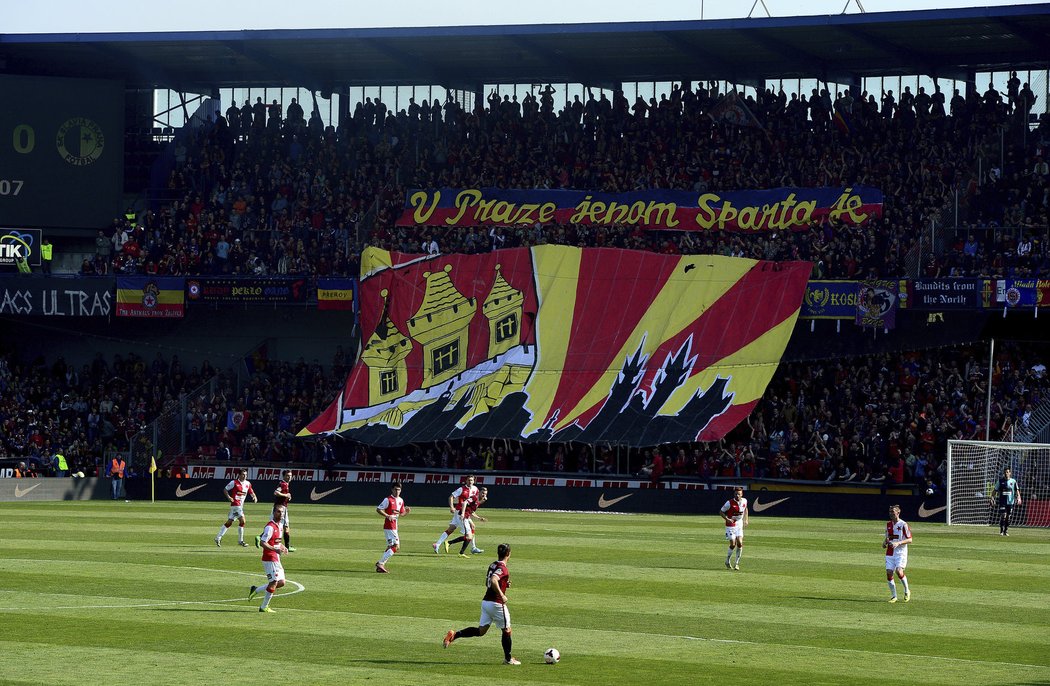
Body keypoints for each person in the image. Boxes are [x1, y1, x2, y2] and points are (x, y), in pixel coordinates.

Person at [442, 542, 520, 665]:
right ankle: (508, 659)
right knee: (507, 630)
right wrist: (502, 594)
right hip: (496, 604)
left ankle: (454, 635)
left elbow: (488, 582)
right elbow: (494, 580)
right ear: (508, 554)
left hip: (486, 603)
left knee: (481, 631)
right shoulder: (503, 568)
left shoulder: (493, 564)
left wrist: (504, 585)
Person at [248, 503, 288, 612]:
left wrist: (282, 547)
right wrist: (275, 550)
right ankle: (263, 607)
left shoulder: (280, 526)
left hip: (276, 558)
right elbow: (262, 542)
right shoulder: (270, 527)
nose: (281, 514)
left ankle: (256, 590)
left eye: (282, 512)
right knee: (274, 582)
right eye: (278, 511)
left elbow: (276, 542)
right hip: (269, 558)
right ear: (273, 513)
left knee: (281, 582)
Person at [434, 475, 479, 553]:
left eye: (471, 480)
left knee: (451, 529)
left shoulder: (475, 489)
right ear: (466, 481)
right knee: (468, 533)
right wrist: (452, 507)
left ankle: (437, 544)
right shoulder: (461, 489)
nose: (470, 482)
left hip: (465, 512)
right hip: (460, 512)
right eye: (469, 480)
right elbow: (451, 497)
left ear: (474, 481)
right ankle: (472, 548)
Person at [215, 468, 257, 547]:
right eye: (243, 475)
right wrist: (229, 497)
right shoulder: (234, 482)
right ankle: (240, 541)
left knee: (229, 522)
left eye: (246, 475)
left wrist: (254, 497)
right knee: (243, 521)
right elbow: (225, 489)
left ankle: (218, 537)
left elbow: (251, 491)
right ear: (239, 475)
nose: (245, 476)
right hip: (235, 505)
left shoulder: (248, 483)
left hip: (239, 506)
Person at [375, 482, 410, 573]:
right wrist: (387, 516)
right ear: (392, 489)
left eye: (399, 489)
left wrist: (406, 512)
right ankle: (380, 563)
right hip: (389, 525)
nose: (397, 491)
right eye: (395, 489)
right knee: (396, 546)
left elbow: (401, 513)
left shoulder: (401, 500)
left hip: (394, 526)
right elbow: (378, 509)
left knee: (391, 546)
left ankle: (380, 566)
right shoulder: (388, 499)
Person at [883, 504, 913, 603]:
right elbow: (888, 537)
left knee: (899, 571)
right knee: (889, 573)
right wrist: (884, 542)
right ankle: (894, 596)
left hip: (901, 552)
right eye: (890, 512)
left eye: (893, 512)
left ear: (898, 512)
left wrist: (898, 543)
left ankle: (907, 590)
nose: (891, 514)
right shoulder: (888, 524)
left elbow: (910, 539)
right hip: (890, 552)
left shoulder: (903, 525)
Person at [447, 486, 487, 556]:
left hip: (466, 517)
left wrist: (479, 518)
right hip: (463, 517)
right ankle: (451, 544)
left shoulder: (478, 502)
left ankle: (463, 551)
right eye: (483, 493)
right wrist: (462, 513)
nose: (484, 495)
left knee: (471, 531)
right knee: (469, 536)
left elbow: (471, 511)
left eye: (485, 494)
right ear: (479, 492)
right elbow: (465, 503)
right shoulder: (475, 497)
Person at [720, 486, 749, 570]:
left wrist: (746, 519)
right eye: (736, 494)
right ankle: (727, 560)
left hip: (739, 524)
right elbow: (721, 511)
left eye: (739, 494)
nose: (737, 496)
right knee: (733, 544)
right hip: (731, 525)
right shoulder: (729, 503)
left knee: (739, 543)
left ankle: (736, 563)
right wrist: (727, 519)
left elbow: (746, 509)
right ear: (734, 494)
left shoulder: (745, 501)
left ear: (742, 494)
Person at [994, 467, 1022, 536]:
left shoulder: (1013, 481)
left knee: (1008, 517)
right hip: (1002, 502)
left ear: (1010, 473)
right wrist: (992, 498)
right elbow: (995, 490)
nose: (1006, 473)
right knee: (1003, 515)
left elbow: (1017, 490)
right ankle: (1001, 530)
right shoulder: (1000, 481)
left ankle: (1005, 531)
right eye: (1005, 472)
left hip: (1010, 502)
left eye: (1007, 472)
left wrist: (1019, 497)